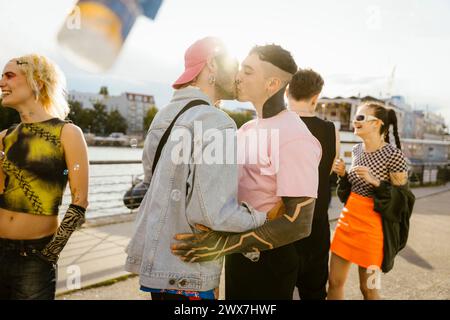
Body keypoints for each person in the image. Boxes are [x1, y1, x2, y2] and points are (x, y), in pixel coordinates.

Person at [124, 37, 281, 301]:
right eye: (234, 65)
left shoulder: (164, 116)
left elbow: (154, 184)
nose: (239, 75)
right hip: (189, 271)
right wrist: (265, 217)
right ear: (211, 65)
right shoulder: (217, 122)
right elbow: (213, 213)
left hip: (161, 267)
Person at [172, 44, 322, 300]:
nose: (238, 76)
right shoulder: (245, 130)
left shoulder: (295, 137)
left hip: (269, 263)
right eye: (240, 68)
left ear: (272, 84)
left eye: (248, 71)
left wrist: (221, 245)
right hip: (235, 255)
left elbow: (299, 223)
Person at [0, 54, 89, 300]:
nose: (1, 83)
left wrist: (49, 254)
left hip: (35, 260)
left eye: (9, 75)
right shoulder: (4, 137)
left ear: (37, 81)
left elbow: (80, 202)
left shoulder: (67, 133)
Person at [328, 102, 414, 300]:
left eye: (360, 118)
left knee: (369, 289)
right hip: (347, 222)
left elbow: (404, 200)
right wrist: (343, 175)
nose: (354, 122)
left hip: (374, 231)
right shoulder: (357, 150)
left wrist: (375, 181)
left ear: (377, 124)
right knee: (333, 282)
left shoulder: (394, 155)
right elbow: (350, 192)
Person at [287, 68, 339, 300]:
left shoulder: (271, 127)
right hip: (314, 222)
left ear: (287, 92)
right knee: (314, 291)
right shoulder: (329, 130)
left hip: (280, 223)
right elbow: (327, 173)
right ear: (316, 97)